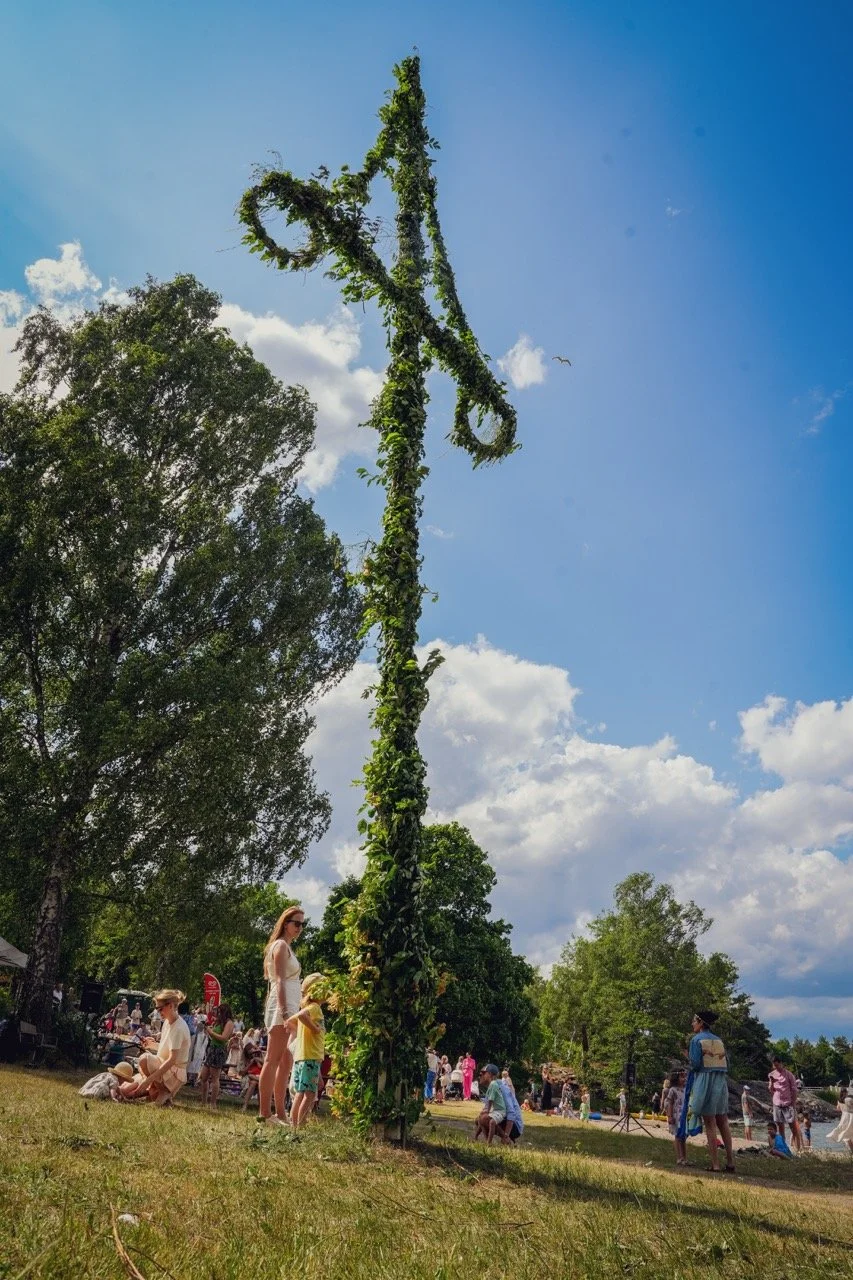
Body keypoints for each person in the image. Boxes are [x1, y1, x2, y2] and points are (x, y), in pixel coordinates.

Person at [258, 904, 305, 1125]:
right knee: (273, 1058)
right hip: (282, 1006)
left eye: (302, 924)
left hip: (291, 1007)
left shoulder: (287, 947)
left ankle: (281, 1112)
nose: (299, 928)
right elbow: (279, 980)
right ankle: (264, 1113)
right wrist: (286, 1012)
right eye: (296, 923)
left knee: (285, 1061)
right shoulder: (279, 946)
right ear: (285, 923)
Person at [119, 989, 190, 1105]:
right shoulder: (168, 1022)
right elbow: (167, 1050)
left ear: (171, 1006)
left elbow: (172, 1060)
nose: (158, 1012)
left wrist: (148, 1080)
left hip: (173, 1075)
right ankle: (159, 1094)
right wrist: (151, 1045)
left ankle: (163, 1092)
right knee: (126, 1090)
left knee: (144, 1059)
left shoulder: (179, 1027)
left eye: (160, 1009)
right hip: (165, 1071)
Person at [686, 1010, 735, 1173]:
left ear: (700, 1023)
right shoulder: (719, 1040)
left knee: (710, 1122)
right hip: (720, 1081)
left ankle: (715, 1164)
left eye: (694, 1021)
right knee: (723, 1120)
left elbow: (695, 1064)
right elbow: (726, 1062)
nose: (692, 1024)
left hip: (705, 1079)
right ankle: (730, 1161)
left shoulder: (696, 1040)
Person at [284, 973, 326, 1131]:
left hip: (303, 1057)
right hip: (310, 1057)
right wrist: (315, 1028)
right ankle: (300, 1126)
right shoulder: (314, 1008)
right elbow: (301, 1016)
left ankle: (294, 1126)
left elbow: (292, 1019)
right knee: (309, 1094)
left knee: (300, 1093)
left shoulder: (308, 1007)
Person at [199, 1003, 235, 1108]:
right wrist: (209, 1030)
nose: (217, 1014)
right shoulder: (218, 1022)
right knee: (203, 1077)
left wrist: (211, 1032)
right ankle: (203, 1102)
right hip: (212, 1049)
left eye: (219, 1012)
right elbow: (213, 1035)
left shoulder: (229, 1023)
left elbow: (224, 1038)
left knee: (215, 1078)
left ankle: (213, 1103)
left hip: (219, 1051)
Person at [769, 1056, 802, 1153]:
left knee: (793, 1128)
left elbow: (794, 1090)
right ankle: (783, 1149)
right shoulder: (771, 1074)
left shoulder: (789, 1075)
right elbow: (771, 1090)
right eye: (774, 1065)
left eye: (777, 1065)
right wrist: (771, 1082)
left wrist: (793, 1103)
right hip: (777, 1103)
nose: (776, 1067)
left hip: (788, 1104)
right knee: (780, 1128)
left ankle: (798, 1150)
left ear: (781, 1063)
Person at [473, 1064, 507, 1144]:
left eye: (484, 1073)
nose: (481, 1075)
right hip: (495, 1110)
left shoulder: (493, 1084)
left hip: (500, 1110)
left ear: (490, 1074)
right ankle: (478, 1138)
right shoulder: (491, 1085)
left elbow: (491, 1100)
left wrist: (487, 1111)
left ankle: (490, 1142)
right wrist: (484, 1111)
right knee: (480, 1119)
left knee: (489, 1121)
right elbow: (488, 1102)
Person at [665, 1069, 687, 1166]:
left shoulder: (686, 1089)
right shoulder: (672, 1090)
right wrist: (669, 1116)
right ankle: (679, 1157)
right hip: (676, 1115)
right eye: (682, 1077)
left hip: (684, 1116)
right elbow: (670, 1103)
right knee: (677, 1137)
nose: (684, 1079)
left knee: (683, 1137)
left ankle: (684, 1157)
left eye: (685, 1076)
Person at [827, 1088, 853, 1153]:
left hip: (844, 1118)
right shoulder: (848, 1099)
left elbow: (838, 1108)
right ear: (846, 1092)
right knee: (849, 1132)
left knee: (845, 1133)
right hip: (850, 1116)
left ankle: (851, 1150)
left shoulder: (839, 1100)